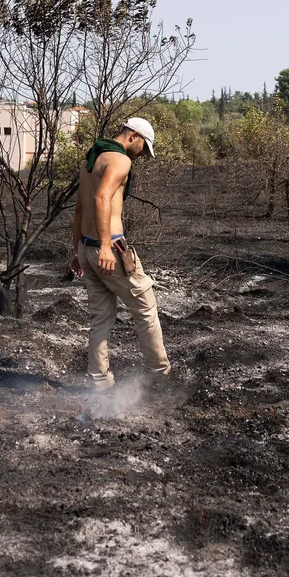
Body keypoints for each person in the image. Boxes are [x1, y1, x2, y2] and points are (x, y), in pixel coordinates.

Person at [69, 117, 170, 391]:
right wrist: (105, 246)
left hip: (87, 249)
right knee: (146, 308)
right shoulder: (120, 160)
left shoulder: (92, 158)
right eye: (143, 148)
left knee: (100, 318)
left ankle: (99, 383)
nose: (142, 156)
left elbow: (79, 209)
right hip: (109, 249)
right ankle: (159, 376)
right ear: (133, 136)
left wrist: (77, 250)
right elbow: (101, 198)